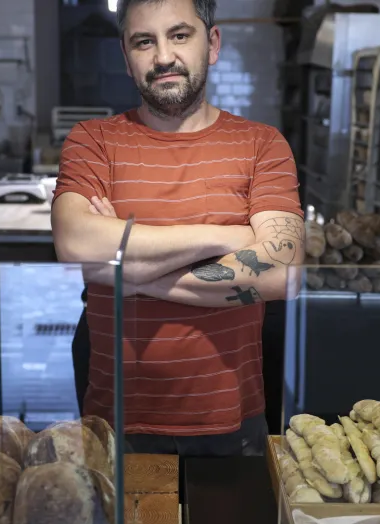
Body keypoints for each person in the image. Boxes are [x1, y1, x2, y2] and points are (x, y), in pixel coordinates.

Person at [52, 0, 304, 456]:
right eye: (144, 41)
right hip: (116, 422)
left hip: (232, 419)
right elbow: (75, 244)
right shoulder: (93, 140)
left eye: (180, 35)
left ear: (213, 44)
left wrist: (123, 273)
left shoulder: (261, 144)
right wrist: (225, 237)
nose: (163, 56)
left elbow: (282, 272)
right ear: (127, 58)